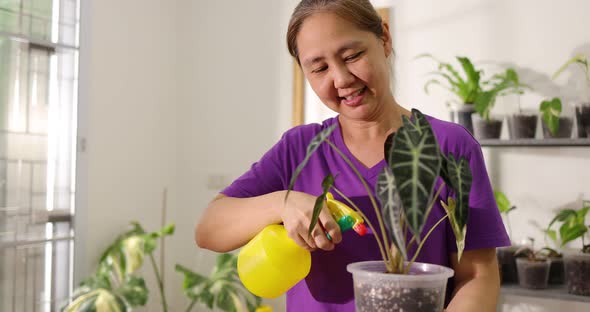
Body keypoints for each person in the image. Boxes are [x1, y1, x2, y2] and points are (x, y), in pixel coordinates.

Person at [196, 0, 510, 311]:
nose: (342, 79)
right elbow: (209, 229)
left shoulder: (450, 145)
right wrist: (283, 202)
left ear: (384, 39)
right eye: (319, 68)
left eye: (353, 56)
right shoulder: (299, 149)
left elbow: (477, 275)